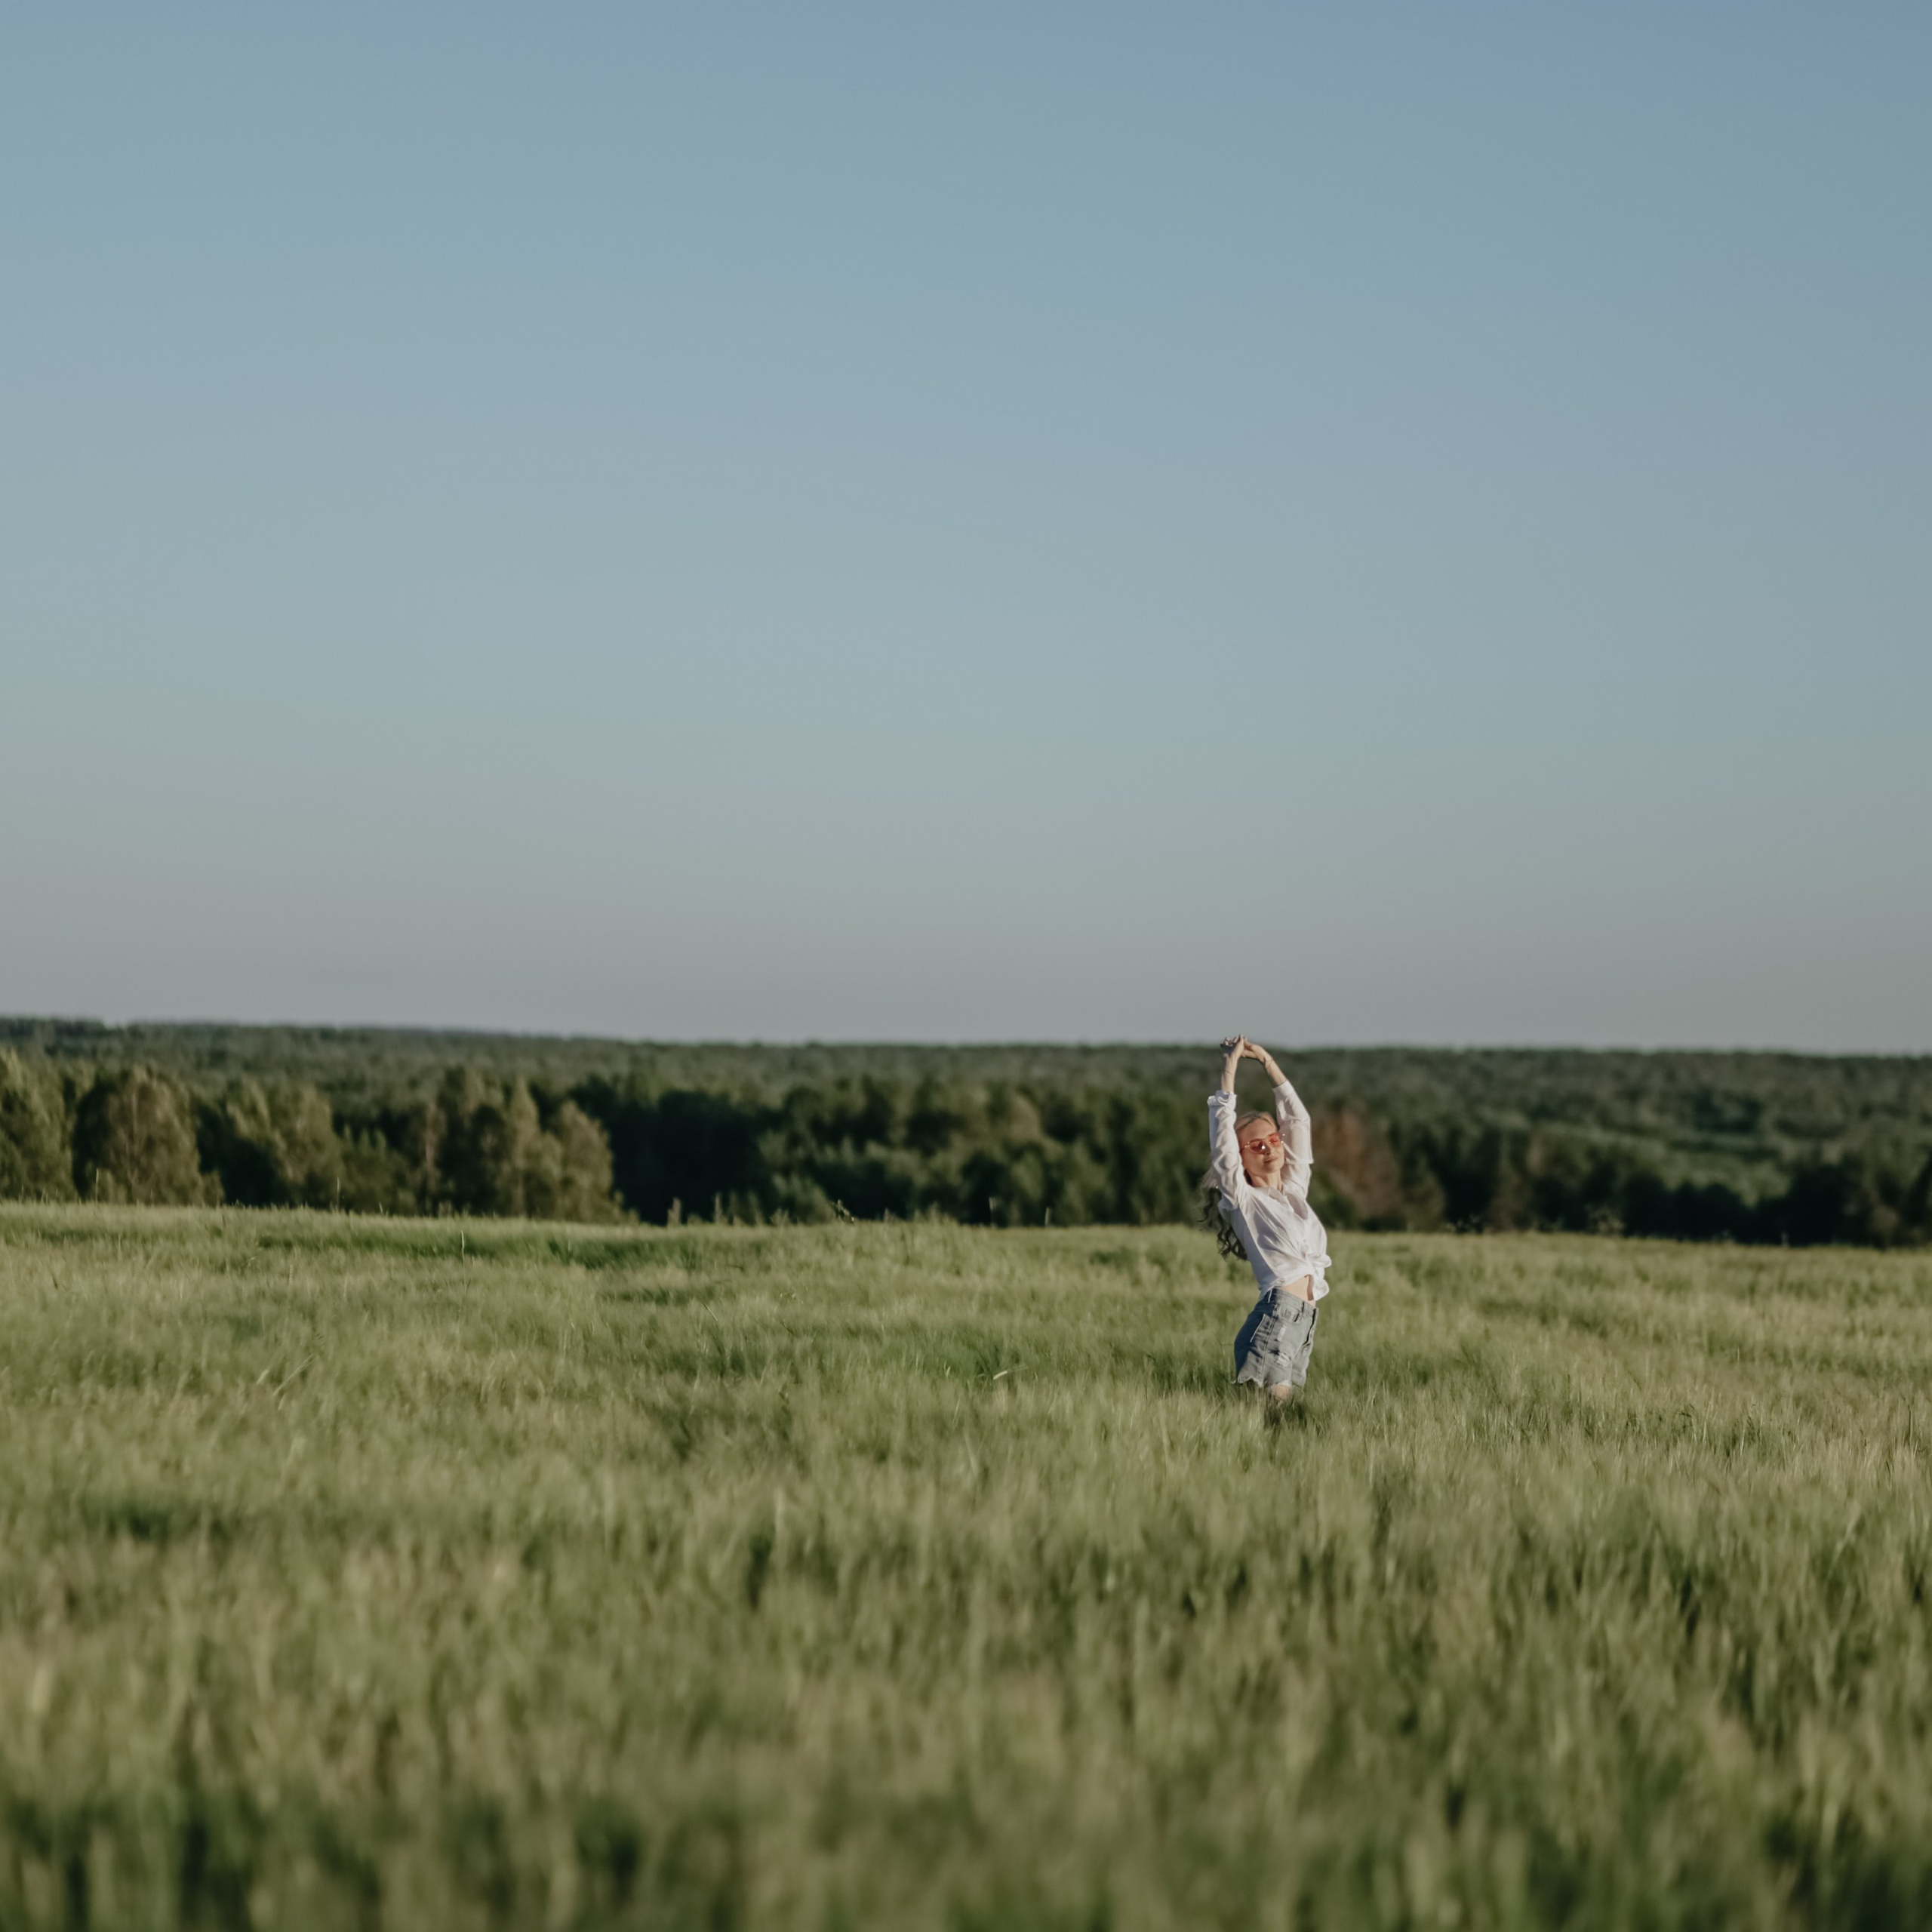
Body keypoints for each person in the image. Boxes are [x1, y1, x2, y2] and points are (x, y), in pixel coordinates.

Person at [1206, 1035, 1332, 1405]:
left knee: (1282, 1427)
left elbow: (1298, 1121)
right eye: (1256, 1146)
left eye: (1274, 1140)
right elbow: (1222, 1144)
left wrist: (1266, 1061)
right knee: (1264, 1418)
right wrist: (1230, 1070)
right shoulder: (1244, 1200)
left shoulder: (1294, 1193)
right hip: (1276, 1318)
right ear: (1241, 1159)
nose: (1270, 1148)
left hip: (1304, 1322)